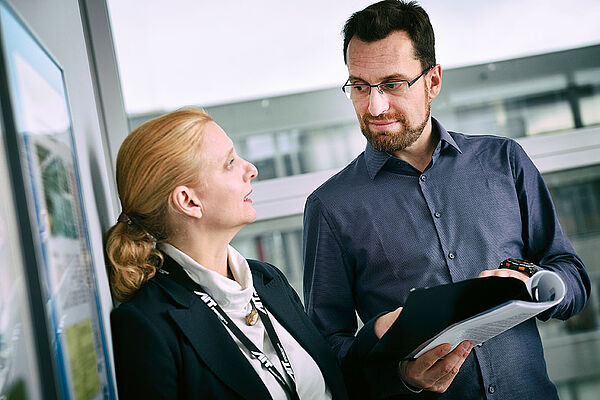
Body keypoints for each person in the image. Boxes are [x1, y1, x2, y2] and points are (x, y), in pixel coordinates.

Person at [302, 1, 591, 399]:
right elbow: (323, 352)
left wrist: (536, 283)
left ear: (433, 81)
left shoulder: (504, 161)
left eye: (393, 84)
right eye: (360, 86)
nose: (375, 106)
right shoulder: (330, 208)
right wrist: (401, 378)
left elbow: (571, 274)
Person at [106, 108, 348, 400]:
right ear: (188, 201)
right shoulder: (146, 326)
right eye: (230, 163)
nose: (251, 169)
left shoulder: (268, 279)